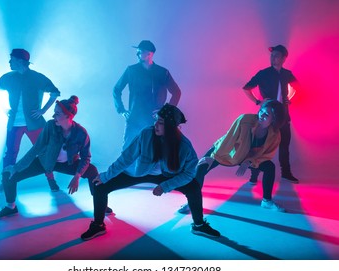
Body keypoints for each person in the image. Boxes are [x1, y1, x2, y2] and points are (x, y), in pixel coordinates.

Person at [80, 104, 220, 241]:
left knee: (194, 188)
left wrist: (165, 186)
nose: (155, 125)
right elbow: (126, 158)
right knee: (99, 185)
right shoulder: (146, 133)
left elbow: (189, 174)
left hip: (167, 176)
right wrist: (106, 176)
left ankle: (199, 225)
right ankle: (98, 225)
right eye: (156, 121)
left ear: (171, 127)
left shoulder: (185, 146)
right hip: (140, 172)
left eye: (160, 122)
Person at [0, 96, 112, 221]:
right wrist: (16, 167)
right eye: (54, 112)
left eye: (57, 113)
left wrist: (77, 176)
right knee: (8, 174)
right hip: (46, 162)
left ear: (68, 116)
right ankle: (11, 207)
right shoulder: (50, 125)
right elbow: (36, 148)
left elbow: (86, 157)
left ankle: (101, 204)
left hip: (69, 164)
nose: (54, 116)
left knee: (92, 171)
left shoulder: (81, 133)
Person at [179, 100, 287, 214]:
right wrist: (214, 156)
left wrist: (249, 162)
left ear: (274, 119)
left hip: (248, 158)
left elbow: (266, 155)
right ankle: (192, 201)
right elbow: (229, 139)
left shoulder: (275, 134)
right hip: (228, 150)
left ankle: (266, 201)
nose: (262, 115)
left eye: (267, 115)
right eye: (262, 111)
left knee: (270, 167)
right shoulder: (244, 120)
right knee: (201, 167)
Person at [0, 48, 61, 193]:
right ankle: (6, 183)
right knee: (10, 154)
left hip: (35, 124)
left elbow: (55, 93)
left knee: (43, 152)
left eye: (12, 59)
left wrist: (43, 110)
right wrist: (4, 109)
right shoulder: (8, 77)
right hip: (14, 125)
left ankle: (51, 180)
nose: (9, 62)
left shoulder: (37, 77)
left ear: (20, 61)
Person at [243, 44, 300, 184]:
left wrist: (289, 98)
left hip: (283, 116)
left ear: (283, 58)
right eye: (271, 55)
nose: (272, 57)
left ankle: (286, 174)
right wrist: (258, 102)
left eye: (276, 55)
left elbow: (297, 87)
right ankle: (254, 176)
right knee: (258, 145)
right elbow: (246, 88)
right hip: (266, 117)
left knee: (284, 145)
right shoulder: (264, 73)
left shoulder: (287, 74)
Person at [113, 40, 182, 150]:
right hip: (134, 117)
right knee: (128, 150)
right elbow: (116, 89)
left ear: (149, 54)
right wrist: (121, 110)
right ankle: (127, 168)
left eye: (140, 52)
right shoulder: (131, 70)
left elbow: (176, 92)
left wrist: (165, 111)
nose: (137, 54)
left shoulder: (162, 72)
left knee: (155, 151)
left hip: (154, 119)